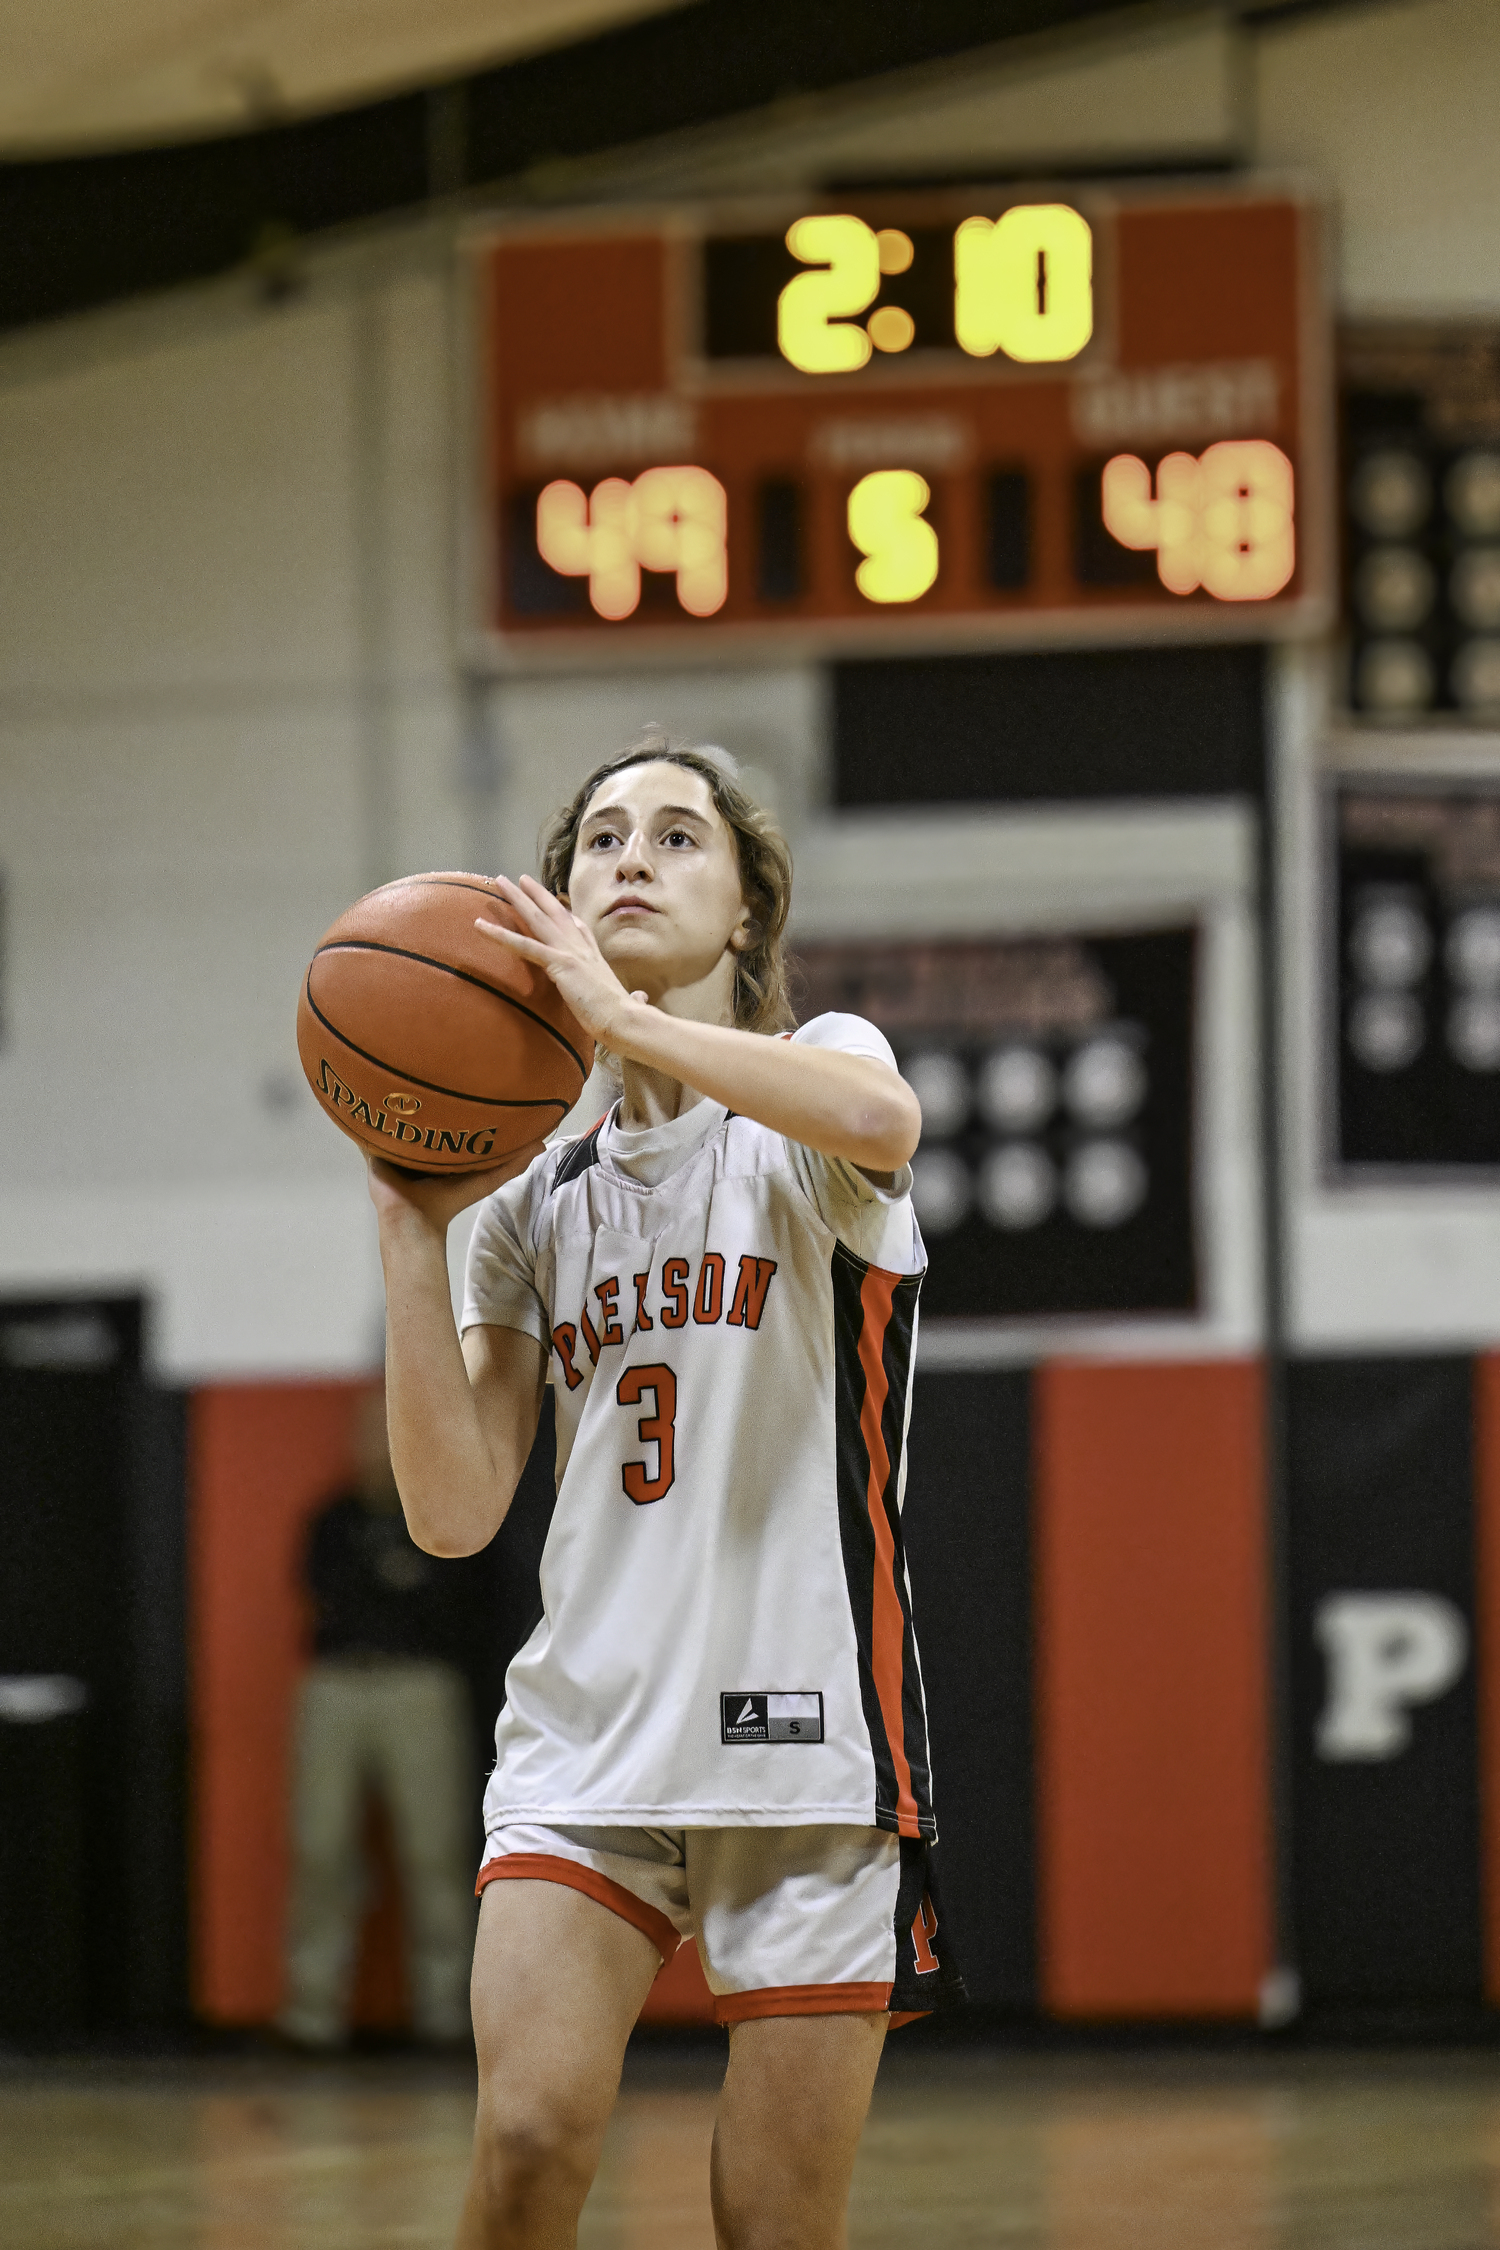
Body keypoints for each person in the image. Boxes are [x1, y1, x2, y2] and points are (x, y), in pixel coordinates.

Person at [368, 736, 962, 2249]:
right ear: (557, 898)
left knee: (768, 2220)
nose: (632, 856)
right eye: (603, 837)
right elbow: (451, 1511)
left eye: (679, 837)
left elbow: (883, 1126)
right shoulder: (532, 1203)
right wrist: (403, 1223)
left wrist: (625, 1020)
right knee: (525, 2136)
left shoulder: (820, 1083)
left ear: (748, 911)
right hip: (589, 1735)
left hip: (805, 1741)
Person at [277, 1384, 474, 2051]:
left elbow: (450, 1607)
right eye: (366, 1434)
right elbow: (325, 1598)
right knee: (321, 1847)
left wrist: (393, 1586)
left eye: (387, 1433)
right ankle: (311, 2014)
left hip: (418, 1686)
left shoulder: (444, 1517)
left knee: (434, 1851)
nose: (375, 1449)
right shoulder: (330, 1521)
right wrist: (391, 1582)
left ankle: (445, 2014)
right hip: (338, 1687)